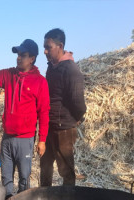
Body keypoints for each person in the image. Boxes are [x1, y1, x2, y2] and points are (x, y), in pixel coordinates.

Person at [0, 39, 50, 200]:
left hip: (25, 140)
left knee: (24, 178)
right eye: (18, 54)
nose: (18, 58)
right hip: (7, 138)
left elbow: (44, 112)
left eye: (23, 55)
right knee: (6, 178)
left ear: (32, 58)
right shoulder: (9, 75)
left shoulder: (40, 82)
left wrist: (42, 140)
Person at [41, 28, 87, 186]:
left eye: (48, 47)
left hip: (64, 129)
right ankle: (43, 199)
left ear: (60, 46)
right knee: (45, 166)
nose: (45, 51)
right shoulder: (51, 68)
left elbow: (78, 102)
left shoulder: (71, 70)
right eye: (44, 47)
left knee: (66, 170)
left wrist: (76, 119)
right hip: (49, 125)